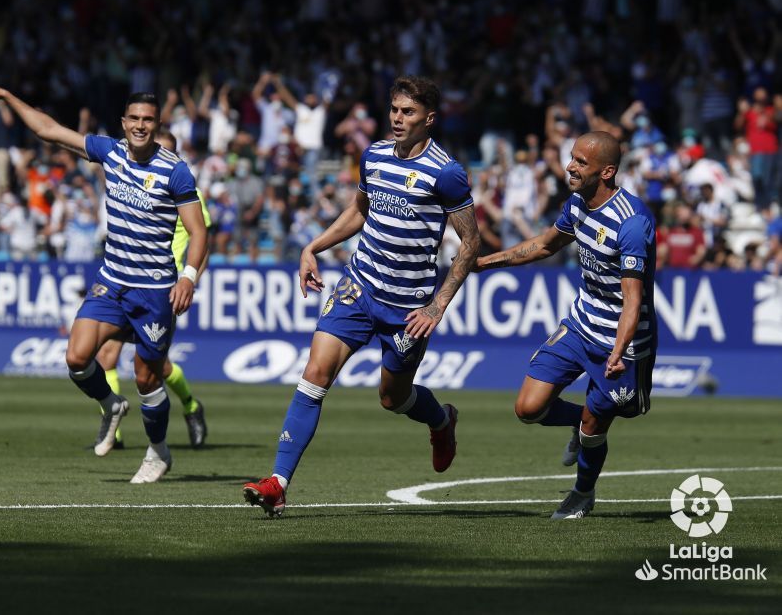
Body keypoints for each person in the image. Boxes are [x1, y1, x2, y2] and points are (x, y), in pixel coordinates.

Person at [243, 76, 481, 517]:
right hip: (359, 286)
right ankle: (277, 483)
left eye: (408, 112)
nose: (397, 118)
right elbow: (359, 211)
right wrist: (313, 246)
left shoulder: (445, 172)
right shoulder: (373, 155)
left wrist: (437, 305)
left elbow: (470, 242)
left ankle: (441, 420)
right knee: (315, 373)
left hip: (408, 308)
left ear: (429, 119)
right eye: (394, 109)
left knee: (392, 398)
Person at [0, 83, 207, 483]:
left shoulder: (175, 170)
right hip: (112, 281)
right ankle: (111, 405)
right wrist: (7, 97)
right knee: (77, 358)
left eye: (148, 120)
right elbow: (48, 130)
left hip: (153, 292)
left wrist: (188, 277)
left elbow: (198, 232)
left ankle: (158, 451)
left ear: (158, 124)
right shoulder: (109, 152)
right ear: (123, 122)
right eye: (134, 118)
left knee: (148, 377)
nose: (140, 126)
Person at [473, 131, 657, 519]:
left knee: (596, 426)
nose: (570, 167)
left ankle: (582, 493)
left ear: (607, 172)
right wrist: (483, 262)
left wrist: (618, 352)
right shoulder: (576, 204)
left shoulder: (632, 223)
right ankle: (580, 422)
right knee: (528, 408)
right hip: (579, 324)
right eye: (571, 158)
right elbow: (543, 245)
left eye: (580, 162)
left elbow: (633, 300)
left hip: (621, 342)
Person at [94, 129, 212, 450]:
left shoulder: (187, 191)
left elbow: (203, 241)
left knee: (156, 368)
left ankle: (190, 406)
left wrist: (190, 280)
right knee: (106, 353)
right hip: (130, 280)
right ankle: (113, 433)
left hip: (164, 288)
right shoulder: (138, 181)